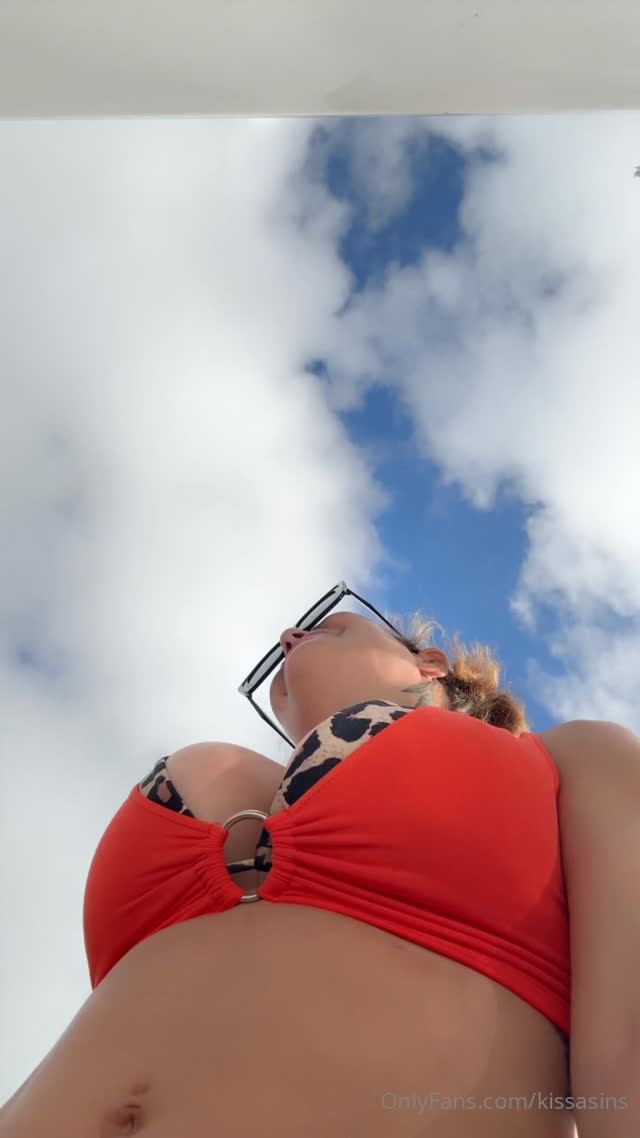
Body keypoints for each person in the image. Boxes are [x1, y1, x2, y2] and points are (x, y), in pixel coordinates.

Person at [0, 608, 587, 1136]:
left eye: (330, 624)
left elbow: (627, 1042)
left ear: (429, 663)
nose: (288, 635)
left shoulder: (568, 765)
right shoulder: (249, 774)